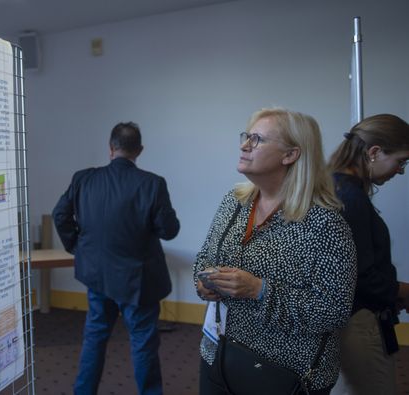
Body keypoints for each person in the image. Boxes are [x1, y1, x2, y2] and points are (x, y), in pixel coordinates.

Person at [194, 108, 357, 394]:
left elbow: (334, 310)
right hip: (218, 354)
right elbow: (205, 256)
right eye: (246, 136)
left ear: (290, 155)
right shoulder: (234, 202)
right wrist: (203, 282)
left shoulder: (325, 223)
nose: (244, 145)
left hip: (284, 372)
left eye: (256, 139)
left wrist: (258, 290)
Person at [52, 121, 180, 395]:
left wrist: (77, 247)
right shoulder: (152, 184)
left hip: (97, 275)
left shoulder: (83, 178)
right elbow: (169, 231)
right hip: (139, 282)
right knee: (143, 343)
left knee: (94, 338)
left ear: (111, 148)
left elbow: (60, 216)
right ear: (139, 150)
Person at [328, 114, 409, 395]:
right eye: (401, 161)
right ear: (374, 152)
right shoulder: (351, 198)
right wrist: (401, 290)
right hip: (358, 321)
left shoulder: (333, 186)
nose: (401, 170)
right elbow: (359, 276)